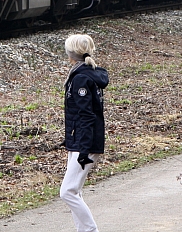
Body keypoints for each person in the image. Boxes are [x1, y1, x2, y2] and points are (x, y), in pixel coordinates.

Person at [61, 33, 109, 232]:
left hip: (84, 142)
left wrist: (83, 150)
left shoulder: (81, 78)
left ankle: (90, 230)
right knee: (75, 191)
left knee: (67, 192)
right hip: (79, 139)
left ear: (70, 54)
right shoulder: (86, 73)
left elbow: (87, 116)